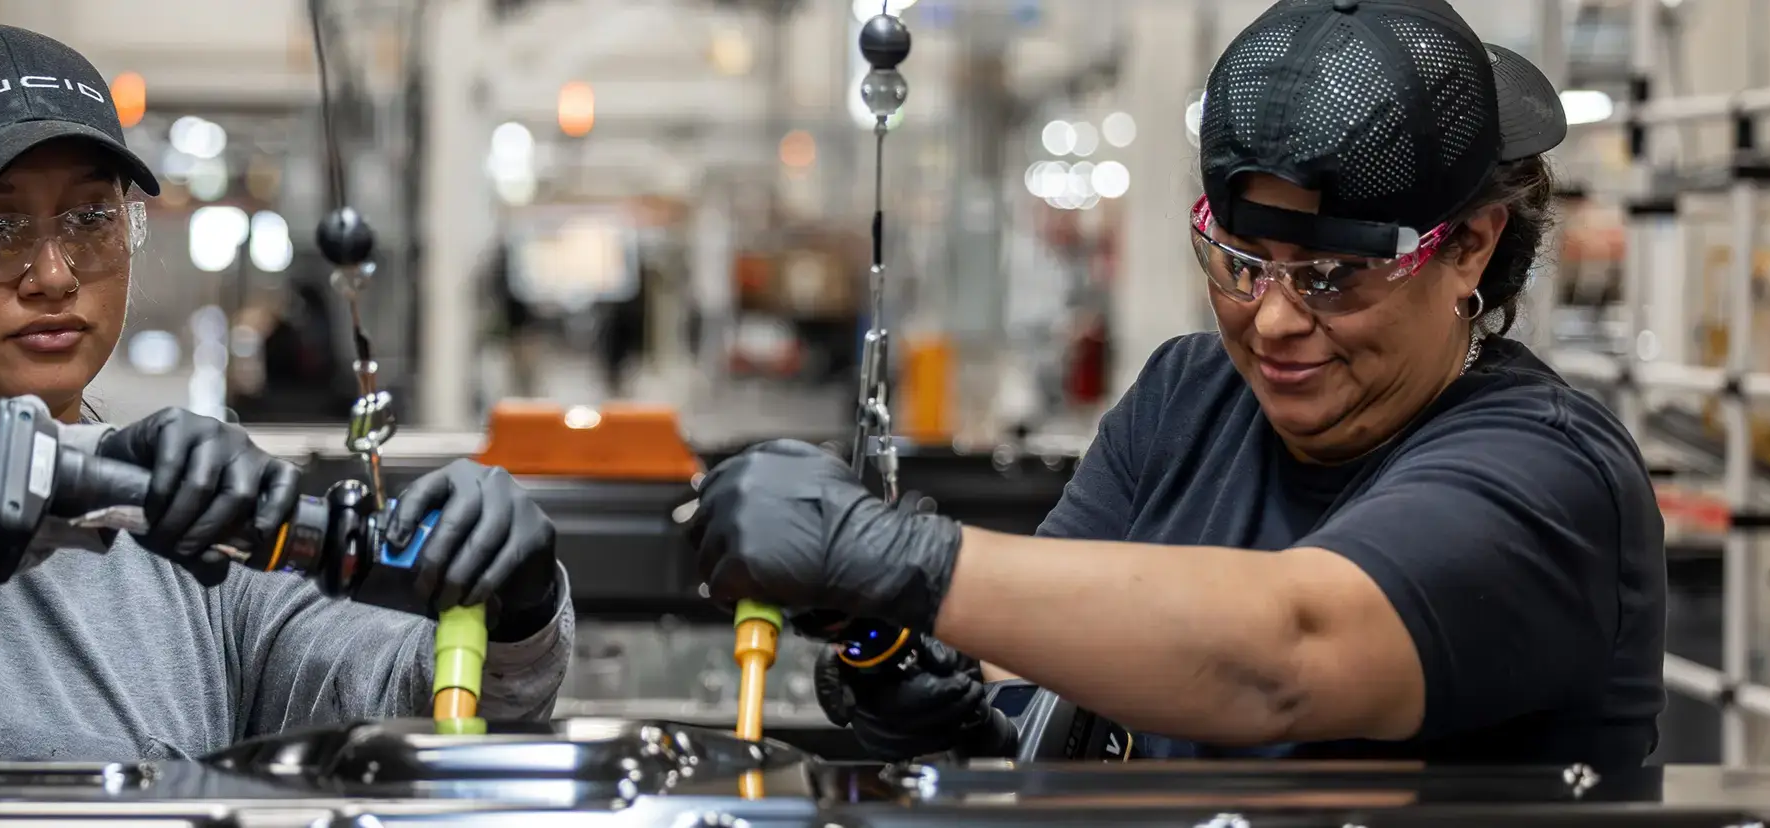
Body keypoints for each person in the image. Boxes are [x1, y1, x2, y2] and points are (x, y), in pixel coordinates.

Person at [690, 0, 1662, 770]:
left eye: (1330, 276)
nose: (1273, 319)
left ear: (1471, 249)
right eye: (1240, 261)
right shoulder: (1188, 399)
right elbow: (1039, 669)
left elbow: (1287, 654)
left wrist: (894, 557)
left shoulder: (1549, 475)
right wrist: (935, 683)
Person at [0, 24, 569, 760]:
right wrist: (102, 479)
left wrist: (514, 608)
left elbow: (409, 717)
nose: (51, 274)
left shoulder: (210, 553)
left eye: (90, 220)